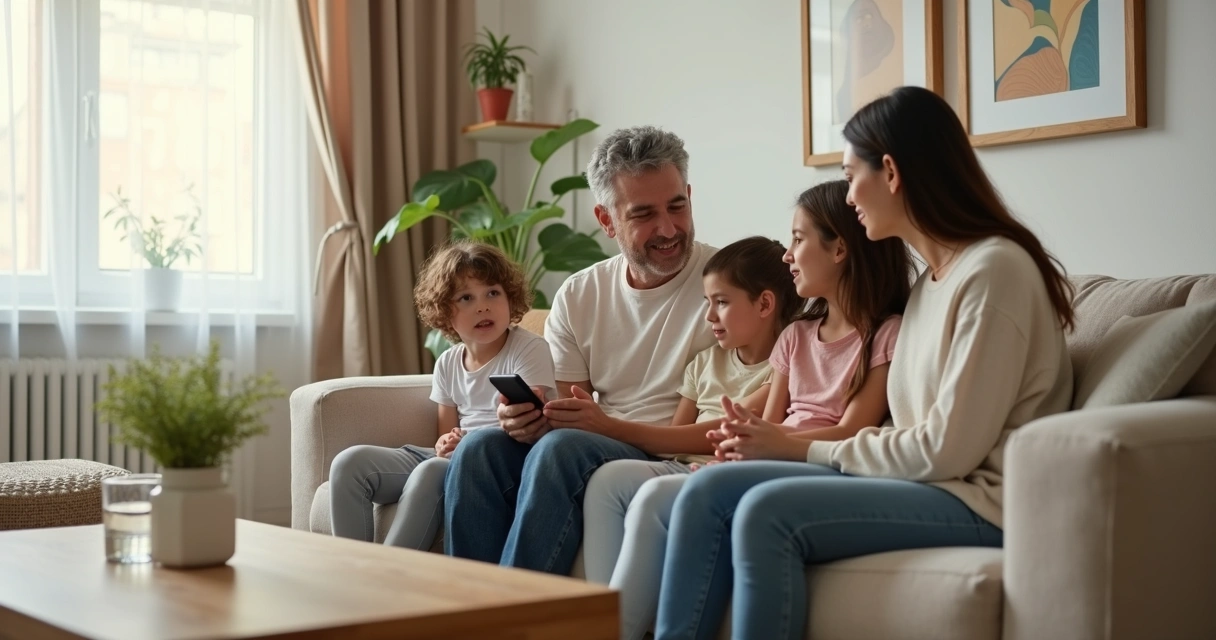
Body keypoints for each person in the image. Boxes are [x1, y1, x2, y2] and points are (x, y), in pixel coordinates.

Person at [654, 85, 1076, 640]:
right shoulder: (930, 287)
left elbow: (946, 449)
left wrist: (803, 448)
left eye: (853, 176)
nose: (850, 196)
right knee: (707, 493)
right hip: (933, 484)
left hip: (981, 500)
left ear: (891, 173)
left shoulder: (993, 272)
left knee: (765, 512)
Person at [444, 125, 731, 573]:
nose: (668, 228)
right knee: (481, 449)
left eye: (677, 206)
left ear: (690, 197)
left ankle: (517, 607)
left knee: (562, 450)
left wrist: (596, 427)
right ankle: (466, 603)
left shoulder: (731, 285)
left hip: (669, 453)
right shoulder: (580, 294)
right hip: (597, 445)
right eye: (643, 214)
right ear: (606, 219)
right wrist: (529, 419)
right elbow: (567, 409)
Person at [580, 236, 802, 640]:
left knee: (651, 494)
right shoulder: (704, 363)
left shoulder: (784, 367)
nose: (709, 316)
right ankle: (603, 616)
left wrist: (612, 426)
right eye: (707, 302)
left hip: (724, 470)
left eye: (722, 302)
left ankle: (612, 632)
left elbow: (723, 431)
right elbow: (676, 438)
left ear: (765, 304)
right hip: (683, 466)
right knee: (607, 481)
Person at [328, 241, 553, 549]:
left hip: (493, 463)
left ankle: (386, 572)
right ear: (445, 313)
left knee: (431, 470)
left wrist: (463, 447)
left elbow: (529, 427)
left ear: (510, 298)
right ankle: (349, 569)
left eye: (492, 293)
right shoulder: (447, 362)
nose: (483, 306)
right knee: (349, 464)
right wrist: (446, 442)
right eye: (466, 298)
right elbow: (445, 436)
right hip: (450, 457)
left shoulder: (528, 349)